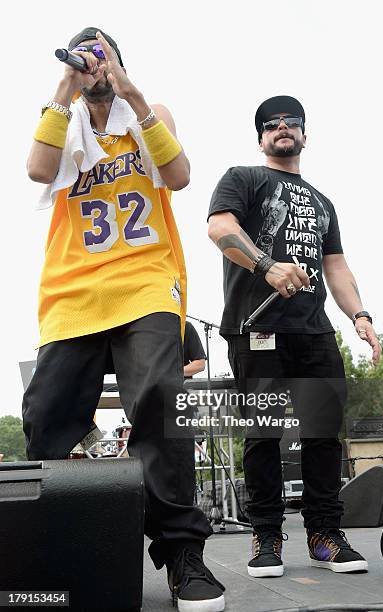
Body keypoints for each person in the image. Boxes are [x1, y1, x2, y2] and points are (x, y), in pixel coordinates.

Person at [23, 27, 225, 612]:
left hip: (144, 279)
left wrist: (129, 93)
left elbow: (180, 174)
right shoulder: (61, 116)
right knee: (47, 415)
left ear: (118, 61)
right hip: (74, 287)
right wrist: (66, 85)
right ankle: (65, 545)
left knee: (161, 398)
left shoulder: (147, 112)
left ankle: (183, 553)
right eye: (83, 56)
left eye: (100, 55)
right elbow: (39, 170)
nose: (92, 65)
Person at [207, 95, 381, 578]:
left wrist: (360, 315)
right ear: (261, 136)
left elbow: (336, 266)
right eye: (271, 124)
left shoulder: (323, 202)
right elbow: (219, 227)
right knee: (263, 436)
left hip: (315, 331)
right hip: (257, 326)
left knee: (324, 434)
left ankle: (326, 534)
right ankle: (267, 537)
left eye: (292, 123)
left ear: (305, 134)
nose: (282, 128)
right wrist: (265, 265)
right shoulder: (243, 178)